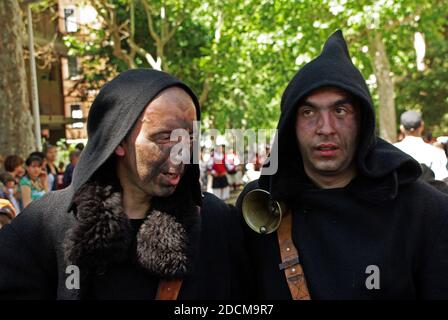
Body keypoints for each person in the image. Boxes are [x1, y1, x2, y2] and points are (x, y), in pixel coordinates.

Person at [0, 69, 249, 299]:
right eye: (165, 138)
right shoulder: (43, 224)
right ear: (117, 141)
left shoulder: (217, 222)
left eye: (190, 137)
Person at [236, 30, 448, 299]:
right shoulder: (259, 208)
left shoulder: (425, 212)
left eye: (340, 111)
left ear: (362, 121)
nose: (325, 128)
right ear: (290, 125)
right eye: (308, 112)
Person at [394, 110, 448, 181]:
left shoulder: (392, 151)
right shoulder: (437, 153)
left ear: (402, 128)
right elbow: (442, 181)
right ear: (422, 125)